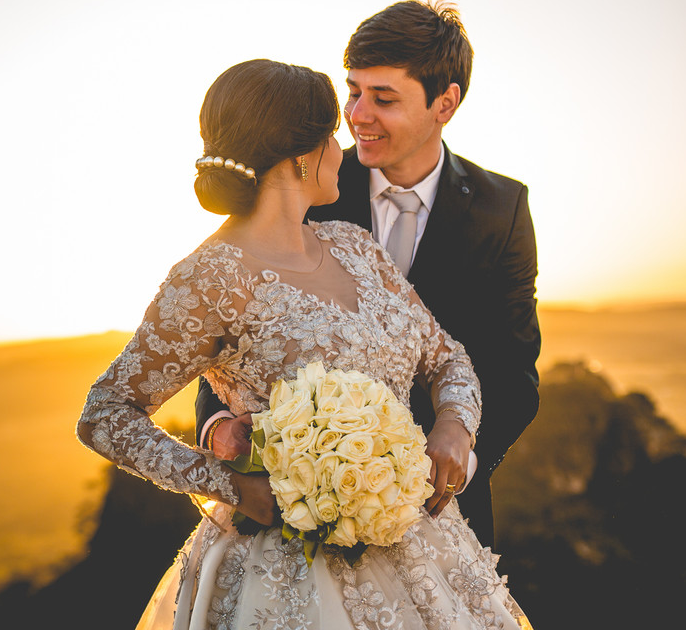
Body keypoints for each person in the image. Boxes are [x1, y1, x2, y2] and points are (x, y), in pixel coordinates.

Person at [77, 58, 531, 629]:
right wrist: (229, 485)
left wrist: (453, 425)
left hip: (423, 553)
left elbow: (448, 359)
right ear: (300, 156)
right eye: (331, 137)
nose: (344, 147)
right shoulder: (209, 278)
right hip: (284, 571)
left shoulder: (354, 246)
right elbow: (105, 413)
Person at [195, 0, 540, 549]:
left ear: (444, 103)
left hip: (447, 521)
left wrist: (462, 445)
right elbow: (225, 335)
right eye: (353, 91)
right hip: (289, 516)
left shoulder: (504, 211)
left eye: (384, 98)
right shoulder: (306, 186)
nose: (357, 115)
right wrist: (217, 430)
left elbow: (513, 369)